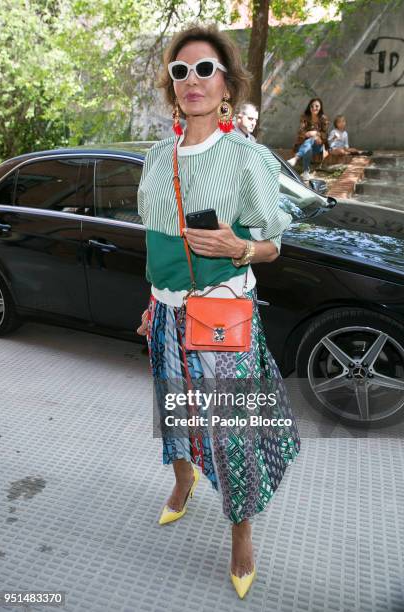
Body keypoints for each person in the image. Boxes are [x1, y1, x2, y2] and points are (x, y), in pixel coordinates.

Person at [136, 23, 301, 600]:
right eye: (180, 71)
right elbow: (155, 242)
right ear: (171, 87)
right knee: (176, 412)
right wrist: (151, 302)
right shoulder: (156, 158)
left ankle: (241, 536)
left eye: (204, 69)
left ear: (227, 83)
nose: (191, 80)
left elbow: (274, 245)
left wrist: (241, 248)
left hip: (221, 317)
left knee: (232, 434)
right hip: (165, 315)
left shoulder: (247, 158)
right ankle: (182, 483)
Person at [287, 98, 330, 181]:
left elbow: (325, 134)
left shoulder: (324, 119)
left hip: (318, 146)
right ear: (309, 107)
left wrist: (316, 134)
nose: (314, 108)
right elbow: (300, 132)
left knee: (312, 139)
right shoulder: (304, 117)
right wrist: (307, 134)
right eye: (312, 106)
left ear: (320, 107)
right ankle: (306, 173)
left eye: (317, 106)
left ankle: (295, 158)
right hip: (304, 145)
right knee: (308, 148)